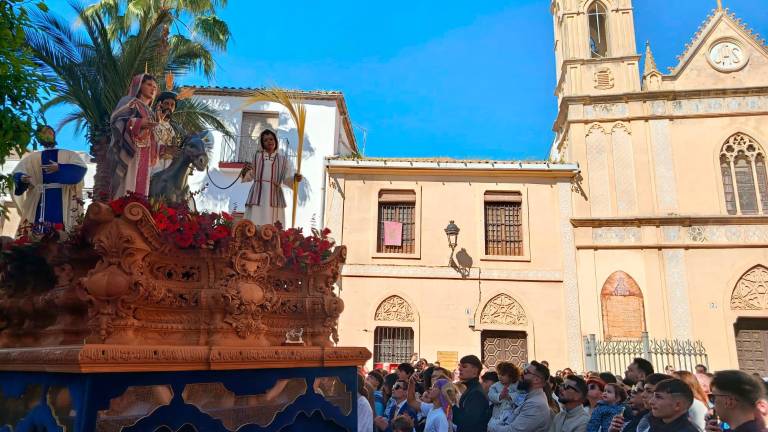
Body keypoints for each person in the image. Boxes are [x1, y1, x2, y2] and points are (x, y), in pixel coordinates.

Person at [11, 126, 87, 229]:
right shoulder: (32, 158)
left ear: (54, 136)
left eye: (50, 133)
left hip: (62, 197)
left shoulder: (68, 155)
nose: (48, 135)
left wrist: (60, 168)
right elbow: (17, 174)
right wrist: (22, 178)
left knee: (62, 228)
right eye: (44, 133)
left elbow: (80, 169)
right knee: (37, 226)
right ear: (39, 137)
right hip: (39, 197)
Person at [108, 73, 160, 198]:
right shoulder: (130, 102)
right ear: (139, 85)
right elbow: (116, 121)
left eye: (155, 87)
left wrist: (162, 148)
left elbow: (153, 138)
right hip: (129, 150)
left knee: (141, 193)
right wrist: (138, 123)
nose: (153, 89)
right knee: (127, 187)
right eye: (149, 85)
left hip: (145, 154)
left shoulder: (151, 113)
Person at [241, 128, 302, 226]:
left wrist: (295, 179)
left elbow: (286, 179)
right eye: (265, 140)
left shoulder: (283, 160)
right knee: (255, 221)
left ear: (275, 141)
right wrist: (245, 171)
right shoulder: (256, 157)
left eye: (271, 139)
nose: (269, 141)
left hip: (274, 194)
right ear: (262, 143)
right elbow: (250, 175)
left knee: (273, 224)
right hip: (258, 193)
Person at [505, 360, 552, 432]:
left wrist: (491, 426)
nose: (521, 374)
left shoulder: (536, 404)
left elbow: (512, 430)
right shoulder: (527, 396)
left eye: (526, 372)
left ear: (536, 380)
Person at [452, 355, 491, 432]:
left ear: (475, 371)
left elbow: (466, 422)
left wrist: (451, 403)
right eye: (460, 366)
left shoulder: (476, 393)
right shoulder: (471, 389)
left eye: (464, 366)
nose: (460, 369)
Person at [151, 90, 180, 174]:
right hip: (151, 168)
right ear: (159, 104)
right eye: (166, 103)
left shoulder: (172, 130)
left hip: (167, 172)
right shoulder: (150, 120)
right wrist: (163, 150)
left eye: (172, 105)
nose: (169, 107)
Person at [488, 362, 521, 431]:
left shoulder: (518, 386)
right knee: (493, 427)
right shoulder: (495, 386)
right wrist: (500, 396)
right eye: (498, 374)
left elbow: (522, 396)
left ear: (511, 375)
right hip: (497, 416)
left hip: (512, 417)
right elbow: (491, 395)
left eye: (502, 375)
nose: (500, 376)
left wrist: (510, 396)